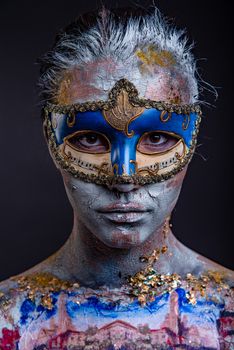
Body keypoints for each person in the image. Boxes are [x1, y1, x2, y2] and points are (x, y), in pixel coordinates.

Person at [0, 7, 233, 350]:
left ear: (192, 139)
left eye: (156, 138)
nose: (124, 178)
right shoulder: (10, 321)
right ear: (52, 141)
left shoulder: (225, 311)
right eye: (90, 139)